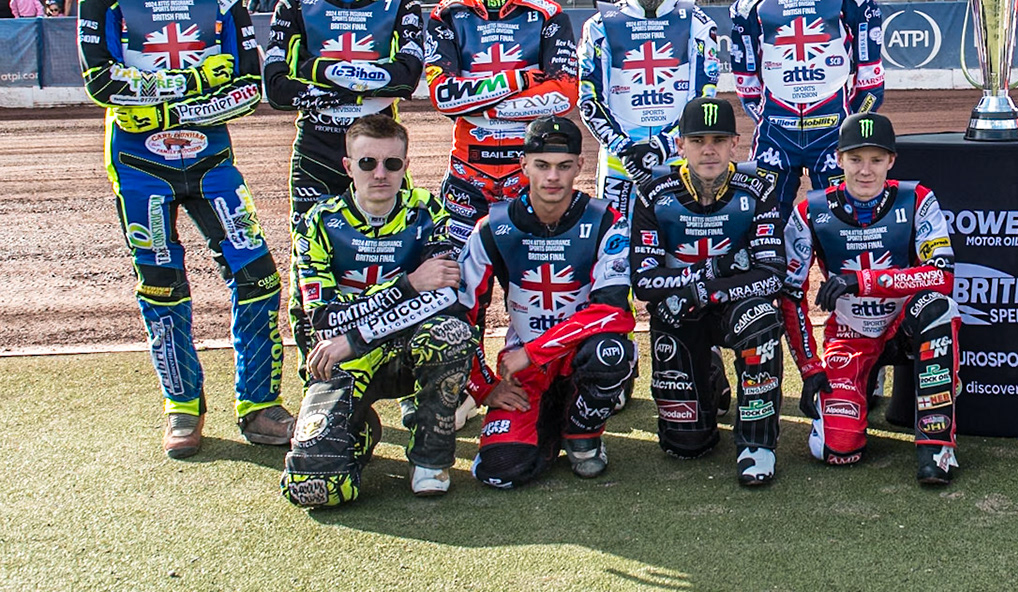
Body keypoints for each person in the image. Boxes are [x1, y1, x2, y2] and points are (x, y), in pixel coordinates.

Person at [74, 0, 290, 458]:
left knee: (259, 277)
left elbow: (248, 89)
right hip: (138, 167)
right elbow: (102, 84)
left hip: (212, 163)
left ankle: (259, 403)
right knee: (162, 286)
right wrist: (192, 87)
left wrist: (157, 102)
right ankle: (183, 408)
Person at [280, 117, 474, 506]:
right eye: (367, 163)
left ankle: (429, 458)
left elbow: (445, 298)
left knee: (450, 334)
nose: (381, 173)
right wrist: (408, 285)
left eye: (392, 163)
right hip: (338, 359)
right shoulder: (318, 221)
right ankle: (359, 427)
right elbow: (322, 317)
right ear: (348, 167)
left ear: (406, 164)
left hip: (392, 348)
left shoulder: (428, 211)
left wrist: (358, 335)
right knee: (314, 487)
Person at [783, 112, 962, 485]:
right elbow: (790, 294)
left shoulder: (917, 199)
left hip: (904, 328)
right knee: (837, 451)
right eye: (855, 159)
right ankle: (860, 387)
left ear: (891, 161)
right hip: (850, 334)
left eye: (876, 160)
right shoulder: (809, 211)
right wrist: (809, 367)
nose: (866, 171)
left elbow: (942, 276)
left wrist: (862, 281)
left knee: (939, 308)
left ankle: (936, 445)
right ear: (837, 158)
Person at [459, 116, 637, 488]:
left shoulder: (607, 222)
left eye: (563, 166)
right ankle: (547, 421)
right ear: (524, 165)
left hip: (576, 358)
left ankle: (581, 433)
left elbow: (613, 314)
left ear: (579, 166)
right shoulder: (492, 227)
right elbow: (464, 315)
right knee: (500, 471)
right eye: (541, 165)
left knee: (613, 352)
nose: (552, 177)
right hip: (524, 373)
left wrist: (536, 351)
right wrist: (485, 386)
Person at [628, 98, 788, 486]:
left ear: (736, 143)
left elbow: (772, 273)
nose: (709, 149)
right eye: (698, 140)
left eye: (719, 139)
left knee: (763, 318)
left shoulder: (759, 189)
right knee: (685, 445)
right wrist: (717, 269)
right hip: (679, 313)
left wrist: (702, 289)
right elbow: (644, 280)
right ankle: (710, 376)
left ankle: (757, 443)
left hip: (732, 306)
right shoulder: (653, 192)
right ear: (680, 145)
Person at [261, 0, 426, 261]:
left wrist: (314, 69)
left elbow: (405, 80)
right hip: (316, 151)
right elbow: (276, 90)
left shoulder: (401, 2)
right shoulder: (294, 2)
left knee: (383, 259)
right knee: (308, 260)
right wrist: (361, 84)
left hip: (381, 152)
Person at [729, 0, 884, 219]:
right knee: (763, 222)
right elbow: (745, 82)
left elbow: (871, 80)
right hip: (775, 134)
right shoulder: (748, 4)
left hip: (834, 133)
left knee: (846, 225)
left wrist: (849, 124)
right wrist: (771, 118)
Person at [423, 0, 579, 246]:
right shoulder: (448, 14)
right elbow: (442, 95)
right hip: (468, 173)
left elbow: (563, 95)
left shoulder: (547, 13)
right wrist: (518, 79)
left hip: (530, 174)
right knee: (460, 285)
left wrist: (486, 109)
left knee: (530, 284)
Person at [576, 0, 724, 221]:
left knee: (683, 252)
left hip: (679, 160)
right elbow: (588, 99)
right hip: (621, 164)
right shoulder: (600, 25)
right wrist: (624, 149)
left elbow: (703, 96)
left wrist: (663, 145)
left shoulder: (697, 22)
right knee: (616, 254)